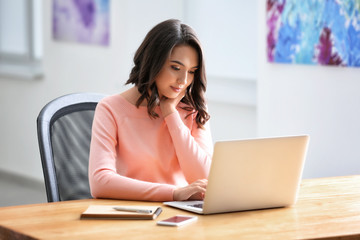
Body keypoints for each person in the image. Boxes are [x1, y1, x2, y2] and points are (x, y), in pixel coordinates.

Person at [89, 19, 213, 202]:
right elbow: (100, 182)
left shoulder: (193, 110)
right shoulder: (110, 109)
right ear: (153, 61)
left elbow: (204, 177)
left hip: (182, 216)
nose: (183, 80)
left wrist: (171, 114)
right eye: (176, 68)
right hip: (133, 213)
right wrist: (173, 193)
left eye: (192, 71)